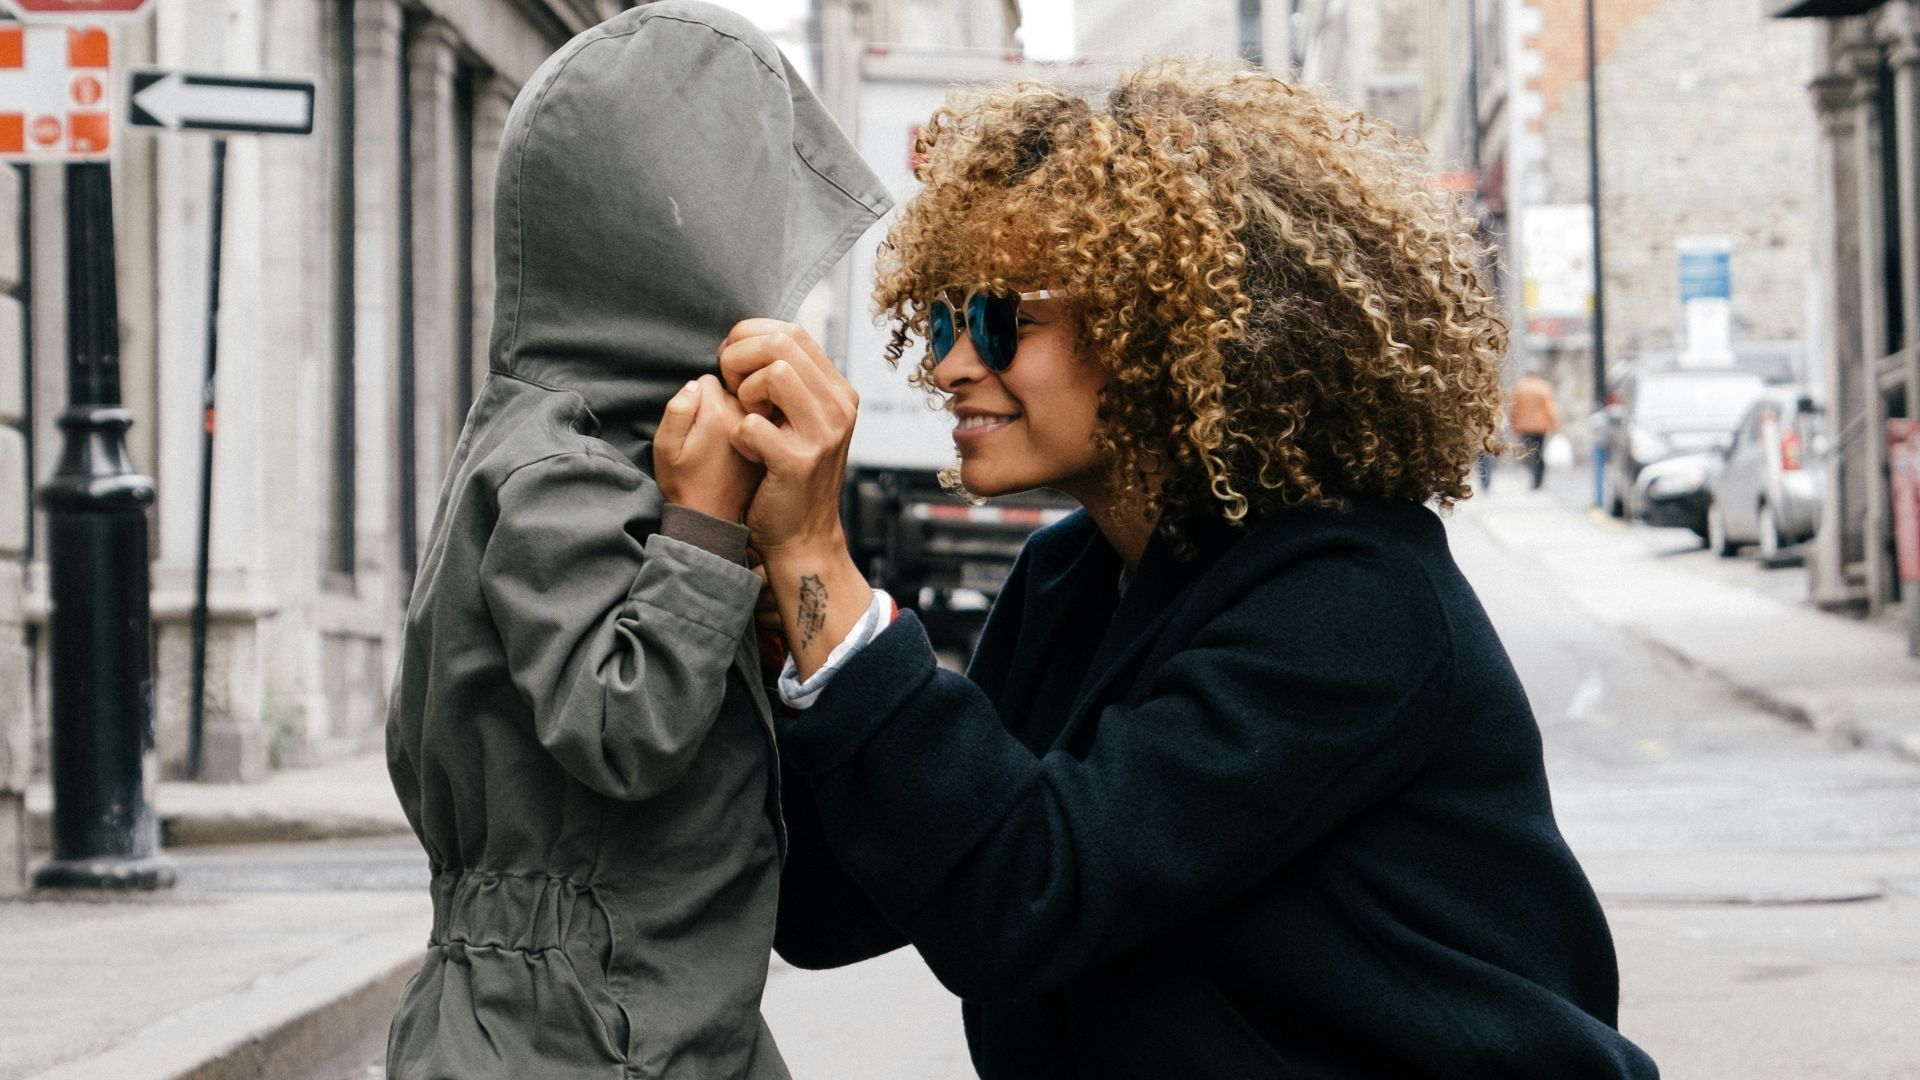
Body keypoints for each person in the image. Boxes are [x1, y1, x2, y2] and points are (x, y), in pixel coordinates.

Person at [706, 61, 1658, 1077]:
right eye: (942, 319)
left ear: (1160, 330)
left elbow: (1026, 894)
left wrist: (819, 562)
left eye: (1000, 320)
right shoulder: (1069, 581)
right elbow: (834, 904)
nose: (948, 364)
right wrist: (778, 625)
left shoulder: (1353, 604)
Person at [380, 5, 889, 1078]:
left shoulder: (621, 436)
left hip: (653, 1006)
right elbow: (622, 721)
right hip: (569, 1028)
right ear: (675, 244)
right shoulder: (556, 461)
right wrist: (702, 531)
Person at [1510, 368, 1562, 490]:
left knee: (1529, 452)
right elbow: (1550, 408)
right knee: (1539, 451)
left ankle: (1533, 478)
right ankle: (1538, 480)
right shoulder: (1543, 387)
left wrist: (1513, 424)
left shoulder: (1520, 387)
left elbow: (1514, 408)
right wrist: (1556, 425)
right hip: (1540, 426)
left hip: (1524, 426)